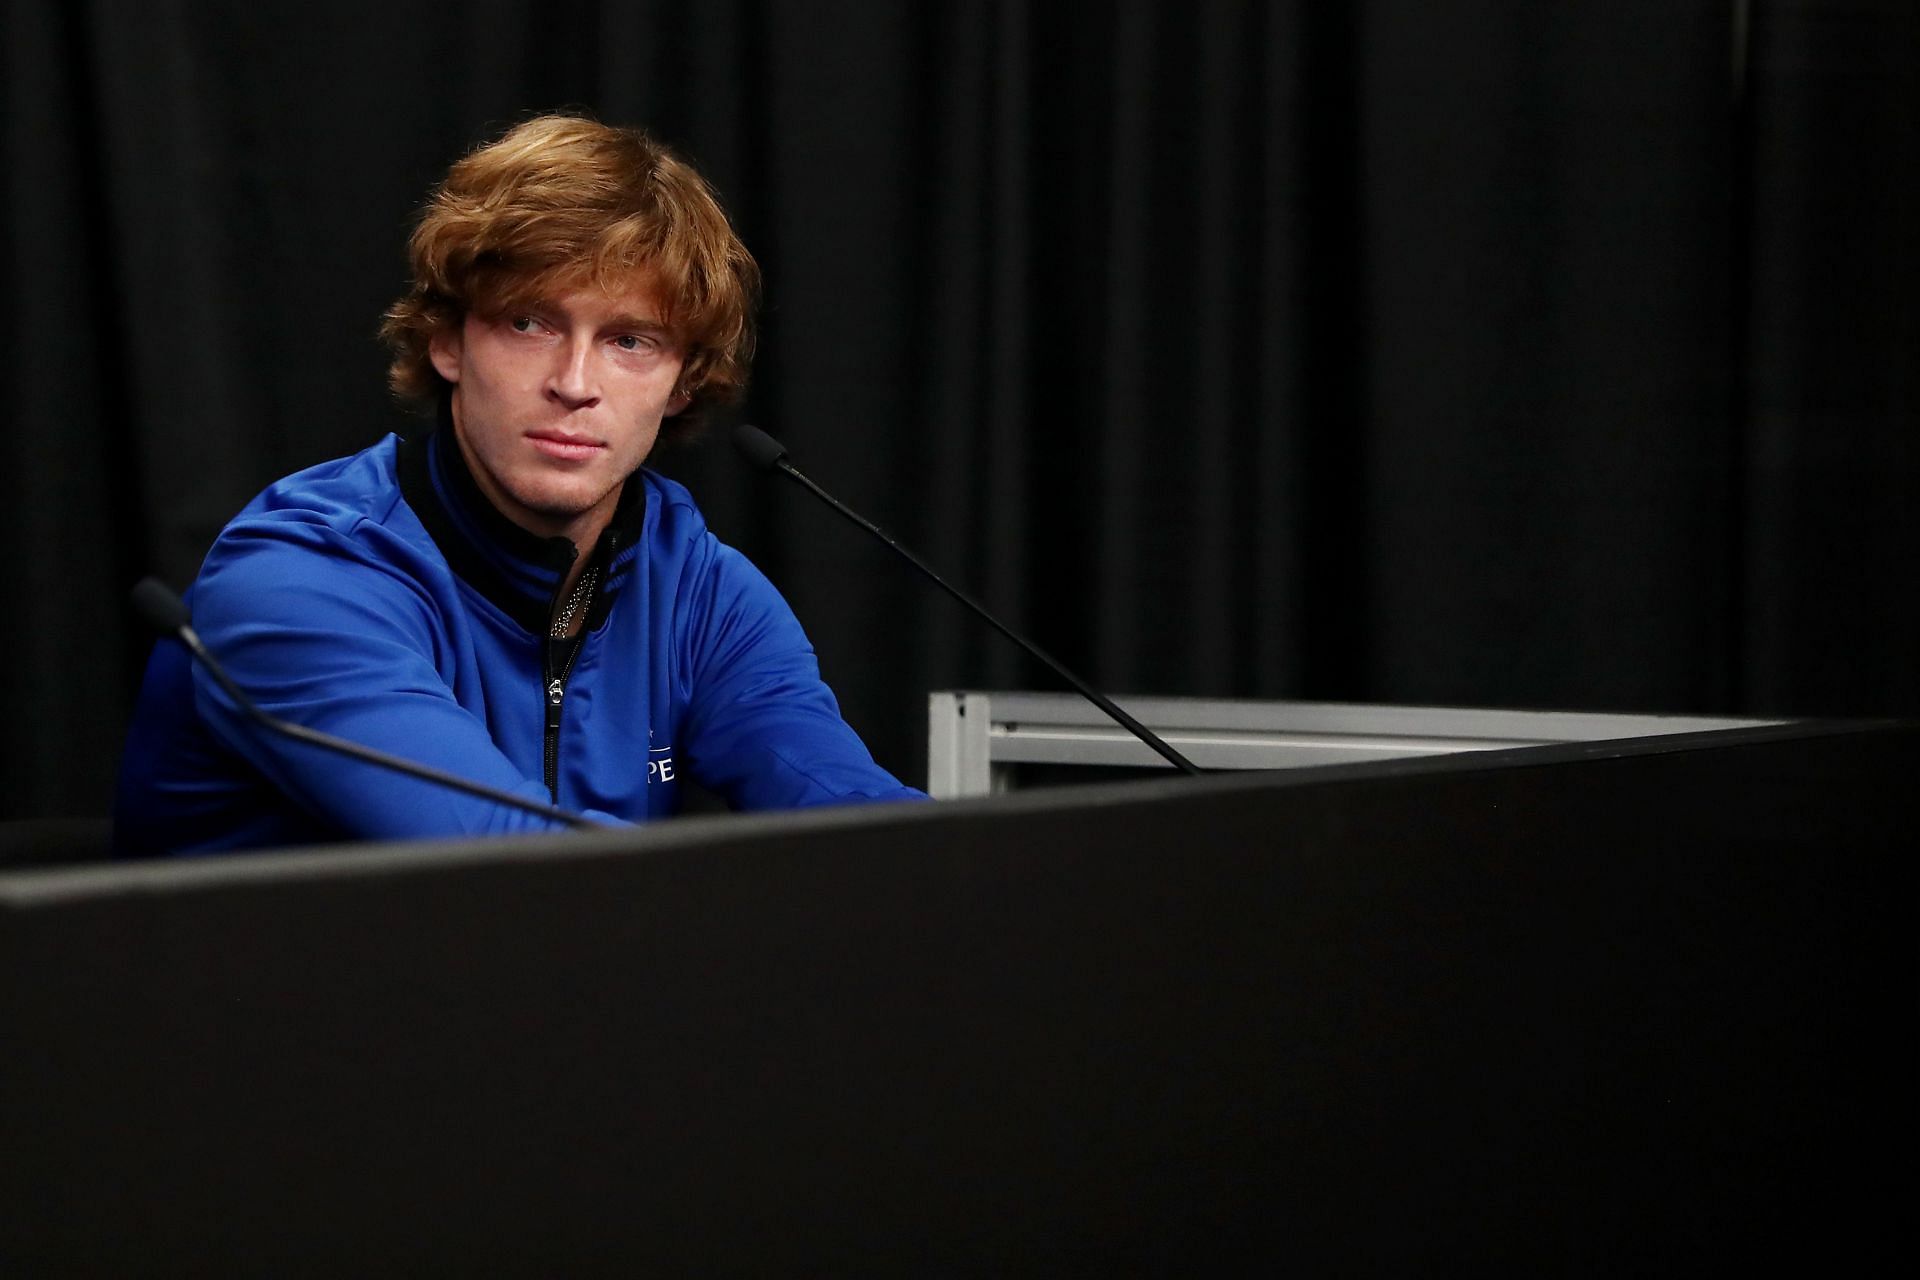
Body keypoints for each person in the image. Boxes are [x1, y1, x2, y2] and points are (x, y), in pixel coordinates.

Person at [115, 114, 922, 856]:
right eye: (528, 322)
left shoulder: (699, 591)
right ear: (447, 343)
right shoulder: (299, 579)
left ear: (682, 383)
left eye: (630, 340)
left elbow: (850, 816)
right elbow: (510, 864)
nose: (575, 383)